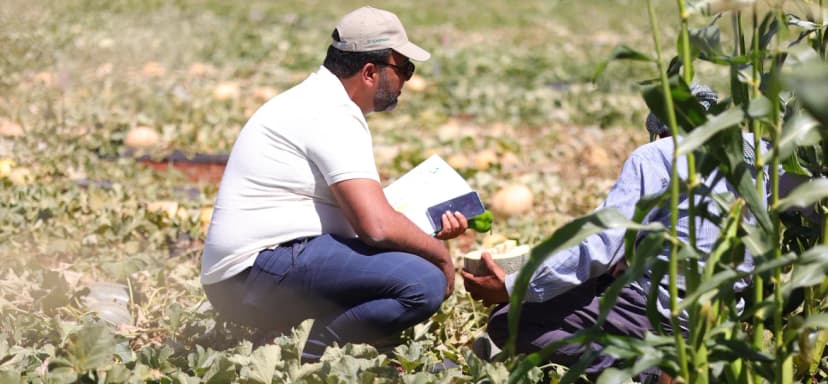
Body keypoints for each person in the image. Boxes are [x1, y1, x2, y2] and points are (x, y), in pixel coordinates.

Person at [200, 6, 469, 359]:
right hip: (254, 272)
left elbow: (364, 219)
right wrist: (441, 257)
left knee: (406, 266)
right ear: (370, 72)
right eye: (404, 68)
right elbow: (374, 227)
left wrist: (422, 231)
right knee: (423, 282)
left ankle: (302, 337)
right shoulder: (331, 113)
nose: (406, 80)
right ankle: (312, 351)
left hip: (250, 273)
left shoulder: (316, 100)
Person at [462, 85, 763, 380]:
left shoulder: (654, 156)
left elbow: (599, 245)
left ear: (663, 129)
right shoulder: (760, 153)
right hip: (728, 314)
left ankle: (657, 371)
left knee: (508, 322)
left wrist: (514, 286)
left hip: (668, 312)